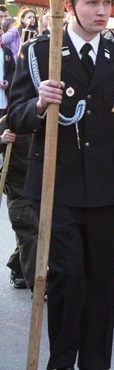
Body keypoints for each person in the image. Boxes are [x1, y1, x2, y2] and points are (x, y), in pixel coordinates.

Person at [7, 0, 114, 369]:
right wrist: (39, 104)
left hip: (105, 191)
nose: (102, 11)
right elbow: (15, 117)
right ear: (69, 6)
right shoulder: (41, 53)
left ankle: (94, 364)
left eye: (106, 2)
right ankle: (60, 362)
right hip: (58, 189)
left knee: (101, 285)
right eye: (92, 3)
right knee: (66, 279)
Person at [1, 117, 35, 292]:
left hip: (45, 186)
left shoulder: (50, 115)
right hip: (18, 187)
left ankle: (18, 266)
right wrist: (2, 140)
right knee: (29, 229)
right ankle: (39, 285)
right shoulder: (9, 121)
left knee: (44, 233)